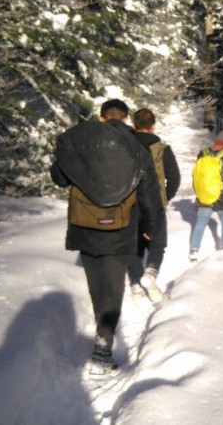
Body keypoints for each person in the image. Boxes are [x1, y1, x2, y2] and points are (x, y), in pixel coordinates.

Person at [50, 99, 164, 374]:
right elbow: (148, 193)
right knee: (114, 288)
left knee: (97, 286)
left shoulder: (81, 144)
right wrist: (152, 228)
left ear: (101, 118)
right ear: (125, 119)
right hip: (122, 229)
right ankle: (103, 346)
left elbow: (59, 178)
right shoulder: (136, 147)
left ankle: (102, 332)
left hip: (85, 226)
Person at [128, 108, 181, 303]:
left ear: (134, 125)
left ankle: (135, 285)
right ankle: (150, 273)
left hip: (130, 203)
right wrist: (164, 199)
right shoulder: (162, 149)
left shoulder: (126, 146)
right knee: (157, 242)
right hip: (154, 202)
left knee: (134, 245)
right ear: (153, 126)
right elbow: (174, 178)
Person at [189, 130, 223, 262]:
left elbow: (197, 177)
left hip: (205, 195)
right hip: (222, 196)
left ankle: (194, 250)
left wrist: (198, 195)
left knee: (200, 222)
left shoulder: (203, 153)